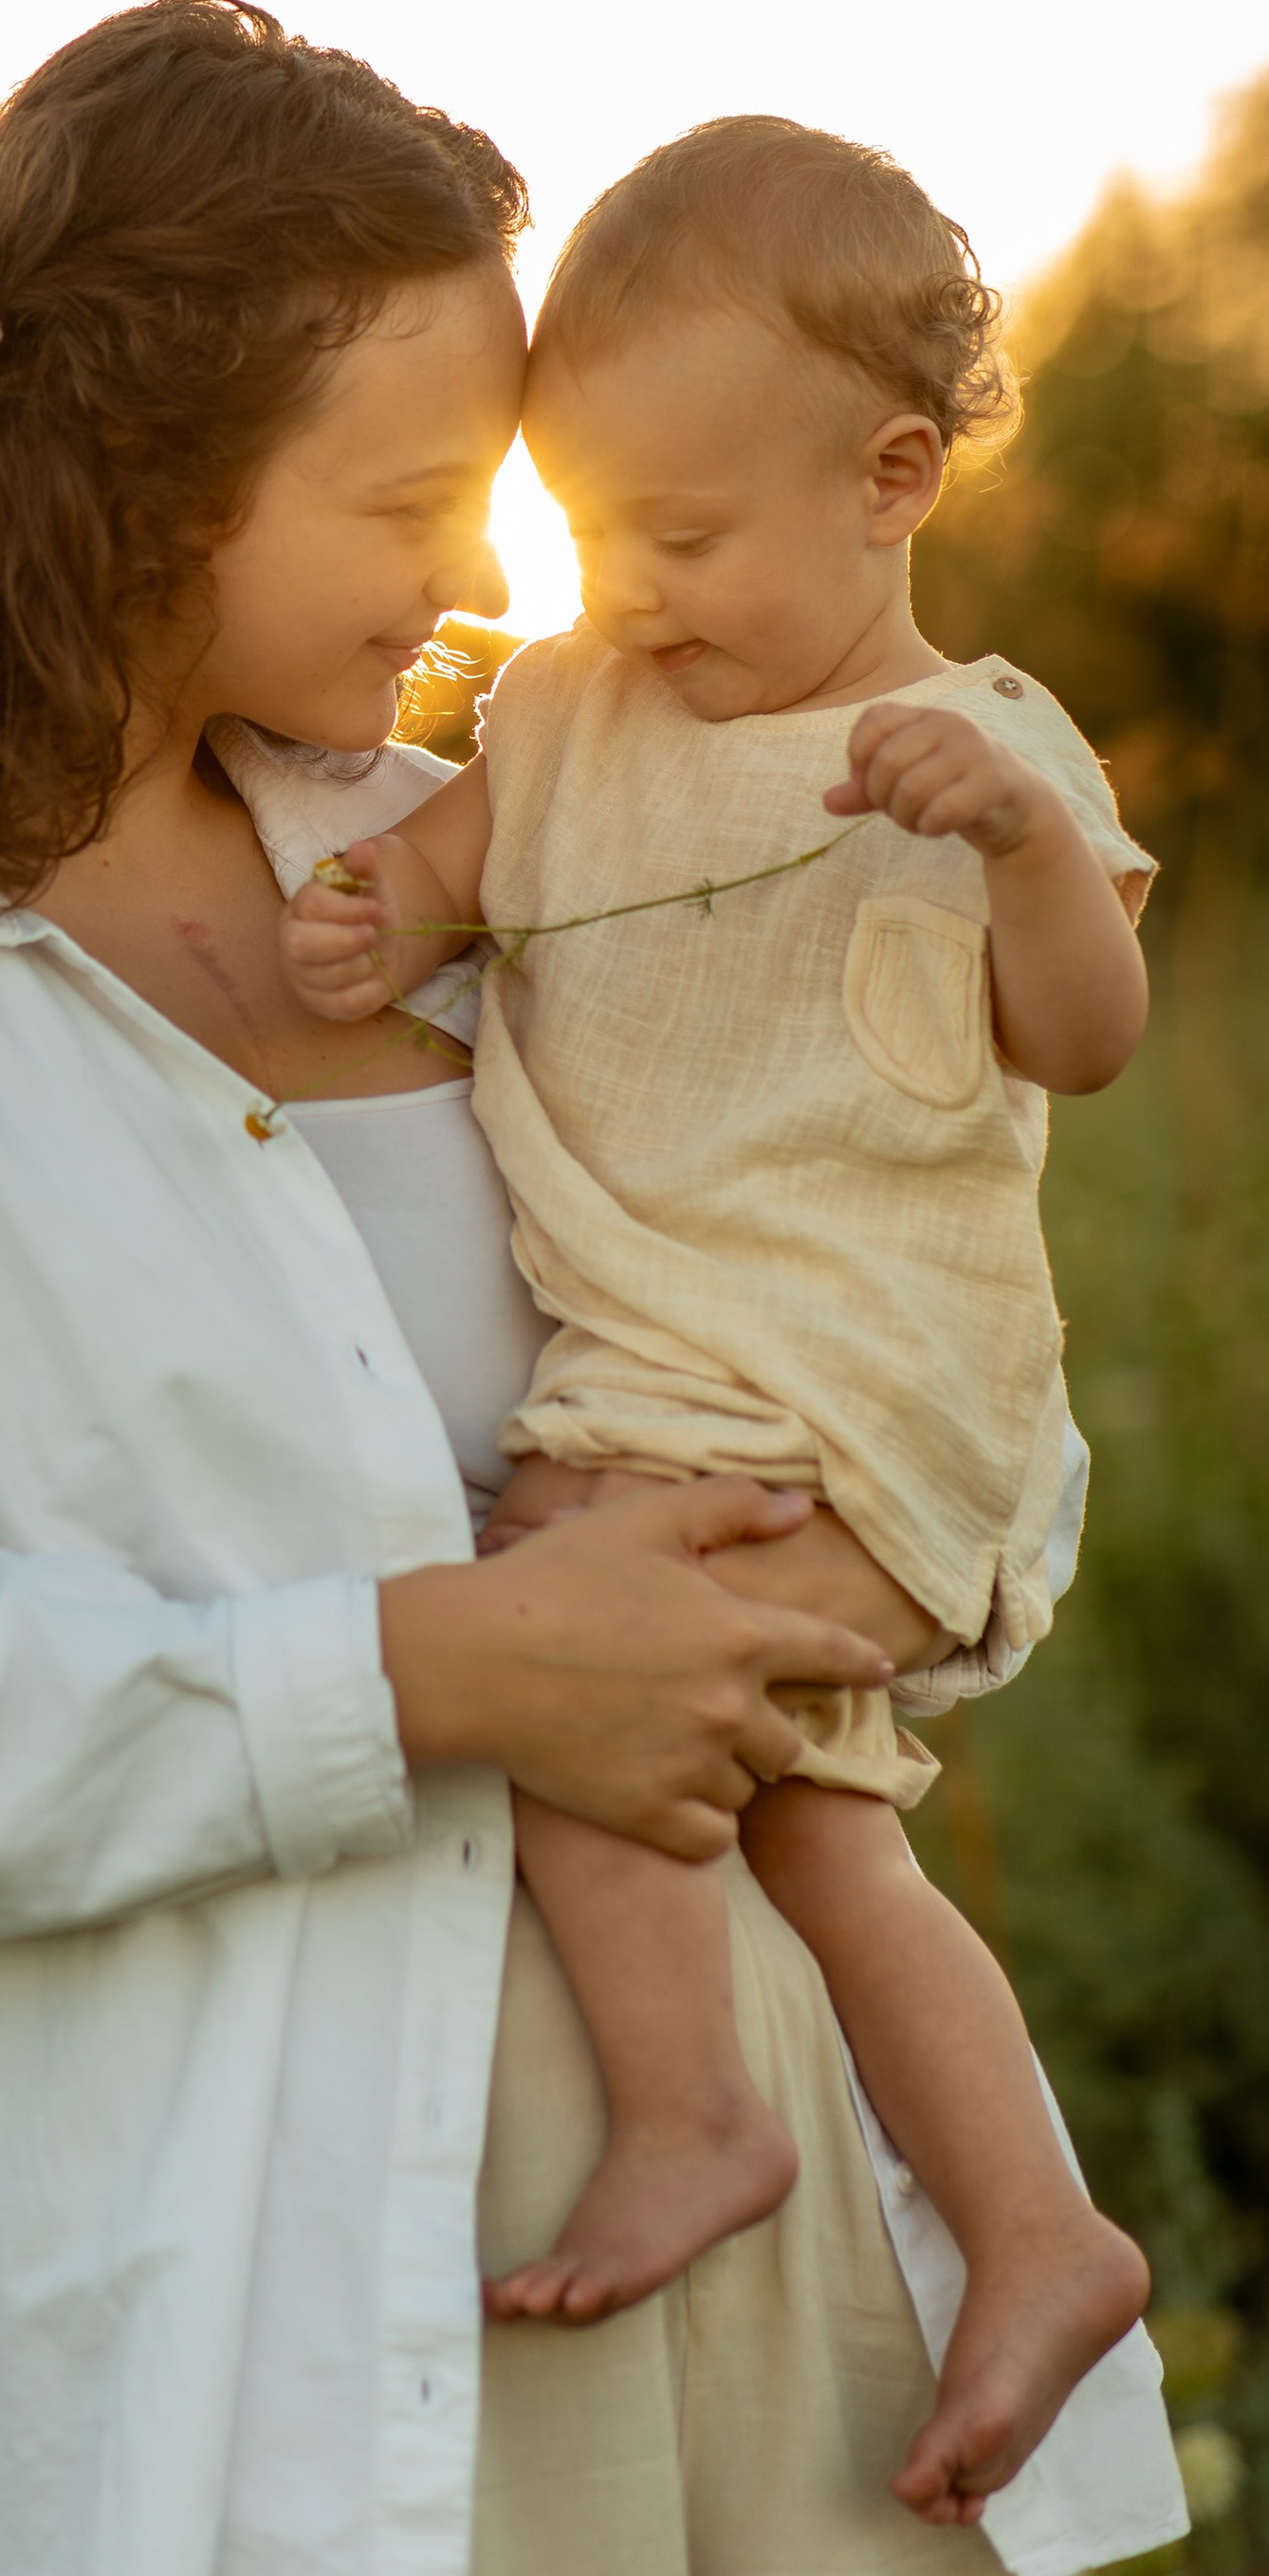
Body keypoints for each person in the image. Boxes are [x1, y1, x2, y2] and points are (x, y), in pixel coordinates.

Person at [0, 3, 1183, 2574]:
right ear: (139, 484)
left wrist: (862, 1572)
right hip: (224, 2336)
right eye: (409, 496)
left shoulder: (528, 839)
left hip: (762, 2228)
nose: (490, 574)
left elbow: (923, 1279)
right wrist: (446, 1667)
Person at [279, 120, 1156, 2525]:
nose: (624, 592)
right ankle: (1036, 2230)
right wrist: (383, 915)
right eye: (588, 533)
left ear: (888, 481)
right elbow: (454, 865)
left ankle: (693, 2121)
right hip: (656, 1389)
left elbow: (1079, 1036)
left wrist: (1008, 841)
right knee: (814, 1834)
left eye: (679, 538)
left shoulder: (983, 756)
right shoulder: (575, 706)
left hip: (861, 1408)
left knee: (573, 1645)